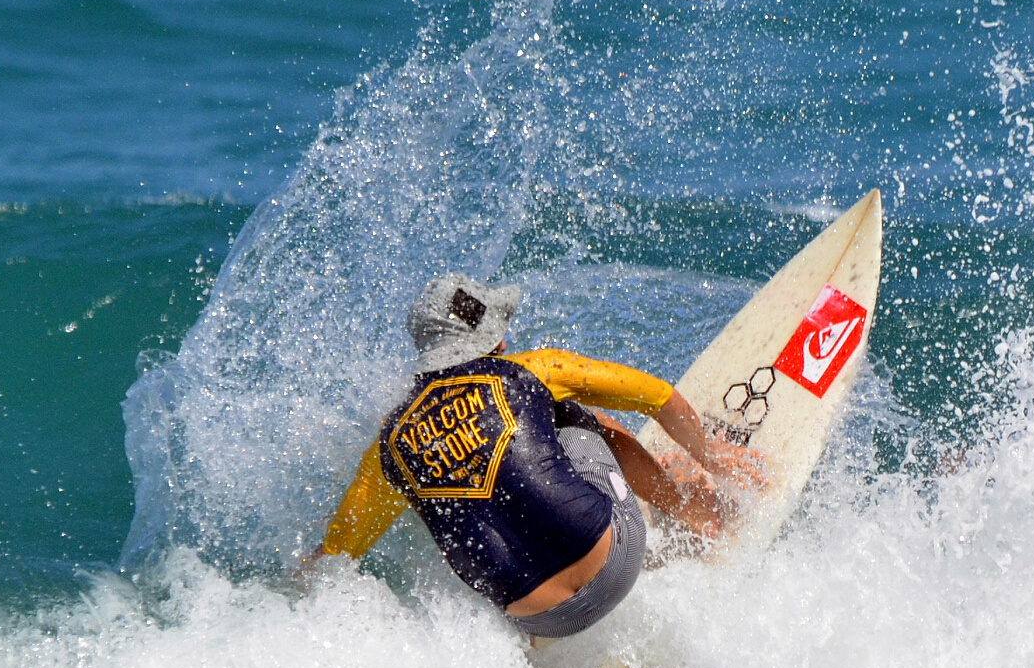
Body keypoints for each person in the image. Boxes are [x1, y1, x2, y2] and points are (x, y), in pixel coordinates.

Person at [304, 273, 761, 638]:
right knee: (577, 415)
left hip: (541, 622)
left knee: (462, 502)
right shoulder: (531, 370)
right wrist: (713, 458)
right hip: (616, 564)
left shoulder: (387, 446)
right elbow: (658, 398)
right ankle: (692, 515)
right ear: (492, 343)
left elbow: (336, 555)